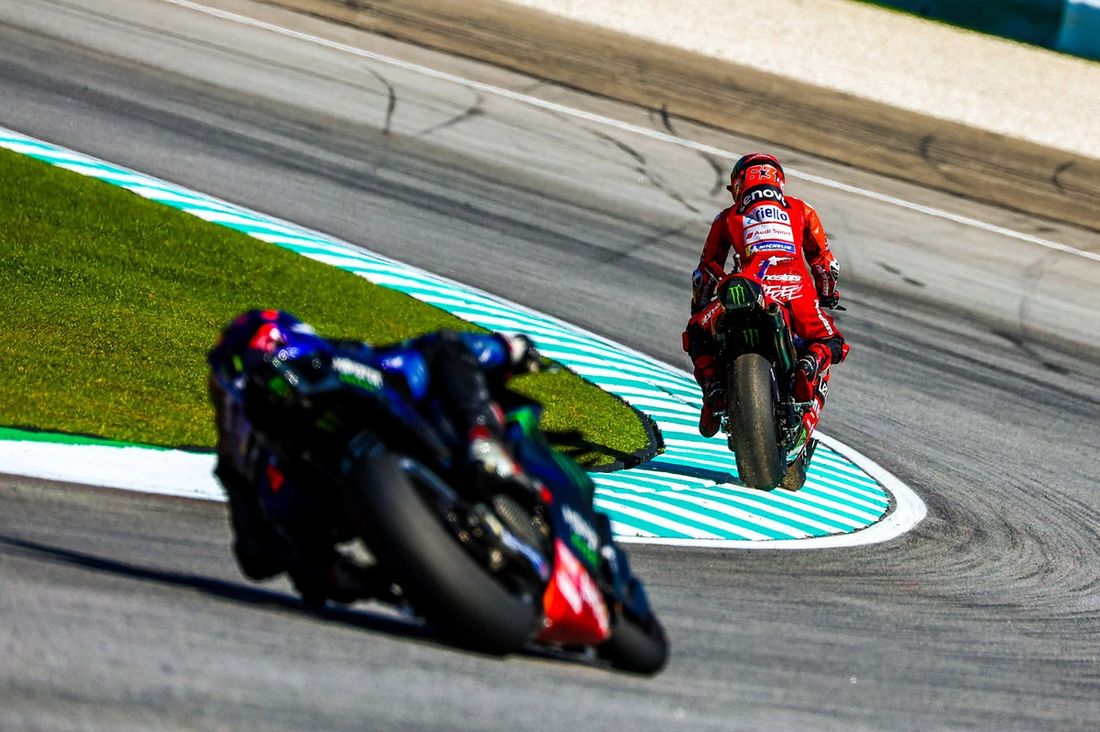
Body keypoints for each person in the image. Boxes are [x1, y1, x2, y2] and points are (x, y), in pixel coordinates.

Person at [207, 309, 542, 607]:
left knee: (440, 350)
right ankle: (380, 581)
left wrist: (506, 349)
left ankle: (482, 442)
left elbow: (438, 350)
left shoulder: (352, 360)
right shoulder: (258, 462)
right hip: (351, 507)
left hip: (432, 437)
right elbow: (256, 557)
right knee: (288, 558)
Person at [683, 153, 849, 439]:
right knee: (832, 341)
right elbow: (825, 264)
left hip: (750, 288)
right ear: (779, 182)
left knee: (695, 331)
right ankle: (809, 363)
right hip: (796, 290)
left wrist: (699, 306)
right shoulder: (801, 209)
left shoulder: (727, 216)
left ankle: (713, 386)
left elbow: (706, 273)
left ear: (738, 184)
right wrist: (828, 295)